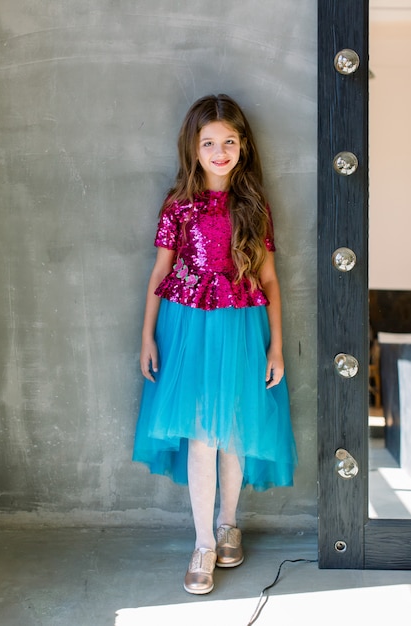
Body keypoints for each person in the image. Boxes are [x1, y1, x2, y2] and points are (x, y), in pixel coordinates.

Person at [133, 94, 297, 595]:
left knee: (232, 430)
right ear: (194, 147)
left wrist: (277, 348)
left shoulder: (254, 207)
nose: (220, 151)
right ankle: (203, 541)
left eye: (229, 141)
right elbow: (160, 271)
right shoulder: (178, 204)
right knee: (202, 436)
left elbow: (269, 280)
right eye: (209, 143)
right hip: (186, 328)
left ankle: (229, 523)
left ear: (242, 146)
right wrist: (146, 335)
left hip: (242, 328)